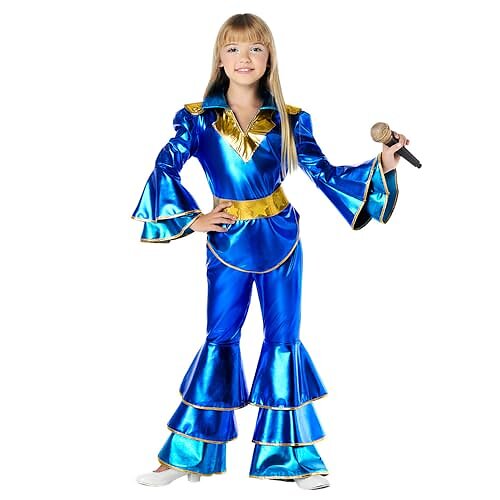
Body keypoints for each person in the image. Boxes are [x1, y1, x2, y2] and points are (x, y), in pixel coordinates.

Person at [132, 13, 408, 490]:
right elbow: (164, 166)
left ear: (269, 58)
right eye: (234, 49)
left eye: (256, 48)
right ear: (220, 58)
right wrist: (193, 218)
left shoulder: (290, 119)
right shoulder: (197, 118)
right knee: (220, 339)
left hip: (282, 240)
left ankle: (292, 458)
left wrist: (383, 161)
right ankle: (190, 454)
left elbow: (325, 173)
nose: (245, 58)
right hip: (227, 242)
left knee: (283, 341)